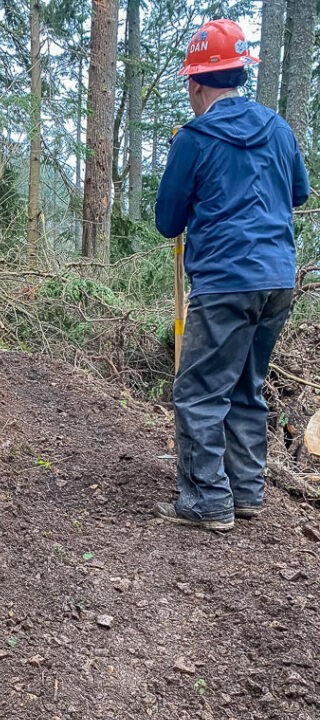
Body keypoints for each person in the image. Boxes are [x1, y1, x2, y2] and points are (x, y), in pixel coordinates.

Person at [154, 20, 310, 533]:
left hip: (225, 281)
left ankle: (205, 500)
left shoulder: (194, 139)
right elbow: (299, 194)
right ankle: (246, 491)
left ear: (196, 83)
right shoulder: (280, 129)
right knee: (247, 384)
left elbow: (167, 222)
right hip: (278, 281)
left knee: (199, 390)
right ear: (241, 72)